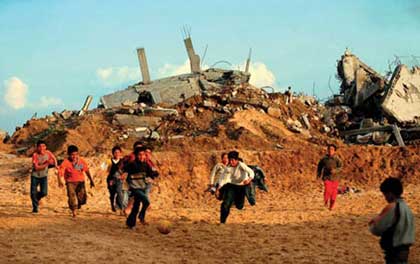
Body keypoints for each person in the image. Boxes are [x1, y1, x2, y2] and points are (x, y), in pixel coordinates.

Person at [369, 177, 415, 264]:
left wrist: (374, 222)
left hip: (394, 251)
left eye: (385, 194)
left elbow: (377, 229)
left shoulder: (392, 207)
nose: (385, 198)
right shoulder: (407, 208)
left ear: (390, 194)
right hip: (404, 251)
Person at [123, 146, 159, 229]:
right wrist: (124, 174)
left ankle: (130, 223)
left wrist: (152, 176)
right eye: (139, 155)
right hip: (134, 188)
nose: (142, 157)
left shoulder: (146, 165)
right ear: (136, 155)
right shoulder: (132, 164)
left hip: (142, 188)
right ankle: (141, 216)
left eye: (143, 155)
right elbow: (124, 170)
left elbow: (152, 173)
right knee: (146, 201)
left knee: (136, 207)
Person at [216, 151, 254, 224]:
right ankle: (222, 222)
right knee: (225, 204)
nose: (231, 162)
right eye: (230, 160)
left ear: (237, 160)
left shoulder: (241, 165)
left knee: (239, 206)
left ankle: (234, 201)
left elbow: (251, 172)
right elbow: (222, 179)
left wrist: (249, 179)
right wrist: (218, 189)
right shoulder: (228, 168)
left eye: (233, 160)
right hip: (232, 186)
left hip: (241, 187)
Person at [58, 145, 95, 217]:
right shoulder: (66, 162)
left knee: (82, 198)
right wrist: (60, 181)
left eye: (76, 154)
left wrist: (91, 180)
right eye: (72, 155)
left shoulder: (81, 161)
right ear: (68, 155)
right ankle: (74, 211)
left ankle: (79, 204)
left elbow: (86, 170)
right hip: (70, 182)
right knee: (71, 196)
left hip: (80, 182)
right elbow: (60, 172)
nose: (74, 156)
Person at [30, 140, 57, 213]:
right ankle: (35, 208)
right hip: (35, 176)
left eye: (43, 146)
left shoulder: (48, 153)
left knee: (44, 192)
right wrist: (47, 164)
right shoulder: (35, 155)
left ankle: (36, 199)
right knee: (33, 193)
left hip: (44, 176)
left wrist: (56, 165)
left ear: (46, 147)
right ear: (37, 148)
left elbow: (54, 158)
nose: (41, 148)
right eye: (40, 146)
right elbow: (36, 168)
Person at [317, 144, 342, 210]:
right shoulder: (324, 159)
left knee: (334, 193)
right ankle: (325, 202)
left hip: (335, 178)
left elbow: (340, 167)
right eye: (329, 149)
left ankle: (331, 205)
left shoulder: (337, 159)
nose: (330, 151)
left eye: (332, 149)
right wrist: (318, 175)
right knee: (327, 190)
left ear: (335, 151)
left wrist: (335, 170)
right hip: (326, 177)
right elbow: (319, 167)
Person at [122, 141, 143, 215]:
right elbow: (126, 167)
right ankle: (127, 209)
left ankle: (128, 209)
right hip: (131, 178)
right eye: (138, 148)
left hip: (140, 179)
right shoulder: (131, 157)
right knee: (129, 194)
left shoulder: (143, 157)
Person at [106, 146, 127, 213]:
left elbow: (125, 170)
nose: (117, 154)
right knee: (112, 194)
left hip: (119, 179)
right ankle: (112, 205)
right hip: (111, 179)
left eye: (118, 152)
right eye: (115, 152)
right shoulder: (109, 161)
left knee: (119, 192)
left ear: (120, 153)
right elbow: (104, 170)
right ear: (113, 153)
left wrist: (123, 176)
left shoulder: (123, 161)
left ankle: (121, 208)